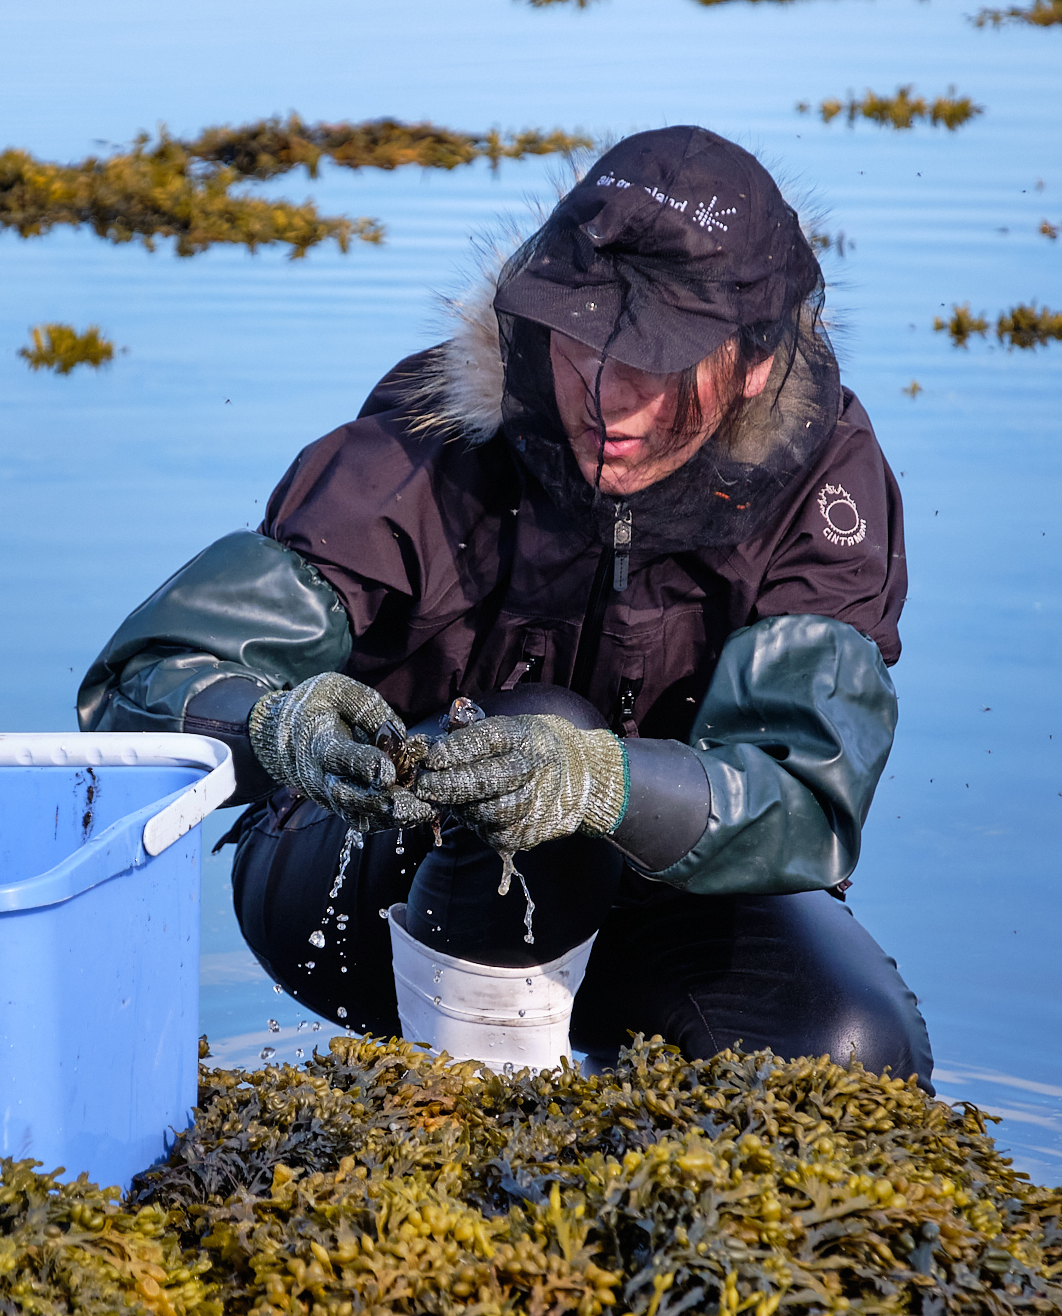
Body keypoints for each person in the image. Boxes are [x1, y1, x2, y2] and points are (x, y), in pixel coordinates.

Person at [77, 126, 932, 1087]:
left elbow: (807, 797)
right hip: (358, 867)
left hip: (665, 888)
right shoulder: (429, 441)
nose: (615, 403)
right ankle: (475, 1104)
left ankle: (614, 1119)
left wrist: (608, 783)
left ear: (757, 363)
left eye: (663, 361)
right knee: (537, 748)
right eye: (586, 344)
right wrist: (279, 726)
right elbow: (136, 687)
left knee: (852, 1053)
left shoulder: (824, 486)